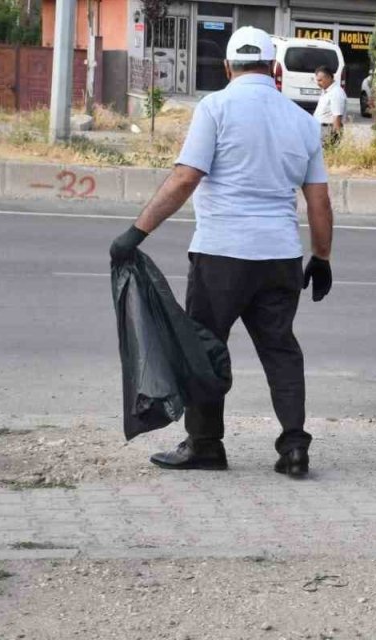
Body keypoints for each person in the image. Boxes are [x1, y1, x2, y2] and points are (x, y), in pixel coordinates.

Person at [107, 26, 334, 479]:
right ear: (274, 68)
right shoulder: (303, 121)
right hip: (280, 258)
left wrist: (136, 233)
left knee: (204, 348)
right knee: (281, 350)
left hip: (221, 257)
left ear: (228, 67)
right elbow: (319, 201)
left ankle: (206, 444)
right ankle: (294, 446)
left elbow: (185, 178)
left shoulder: (214, 108)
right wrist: (322, 258)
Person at [312, 65, 346, 146]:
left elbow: (337, 116)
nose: (318, 83)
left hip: (328, 130)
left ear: (329, 78)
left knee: (326, 152)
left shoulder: (336, 93)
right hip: (320, 129)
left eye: (320, 80)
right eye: (317, 80)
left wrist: (334, 137)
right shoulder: (327, 92)